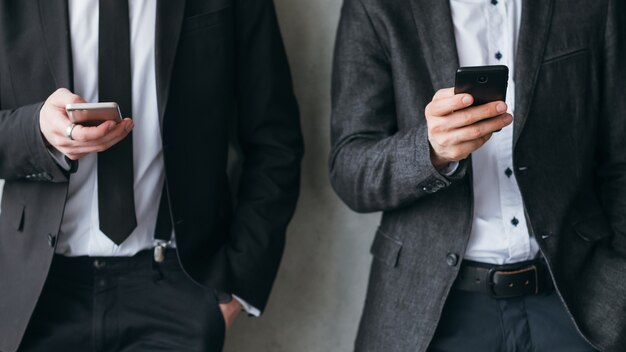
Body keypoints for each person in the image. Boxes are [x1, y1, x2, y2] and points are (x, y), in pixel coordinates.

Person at [0, 0, 303, 351]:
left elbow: (275, 140)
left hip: (178, 290)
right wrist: (37, 133)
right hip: (38, 295)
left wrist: (237, 287)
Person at [330, 0, 625, 351]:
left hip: (579, 301)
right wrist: (429, 151)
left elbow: (620, 156)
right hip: (433, 310)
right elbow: (349, 169)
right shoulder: (375, 6)